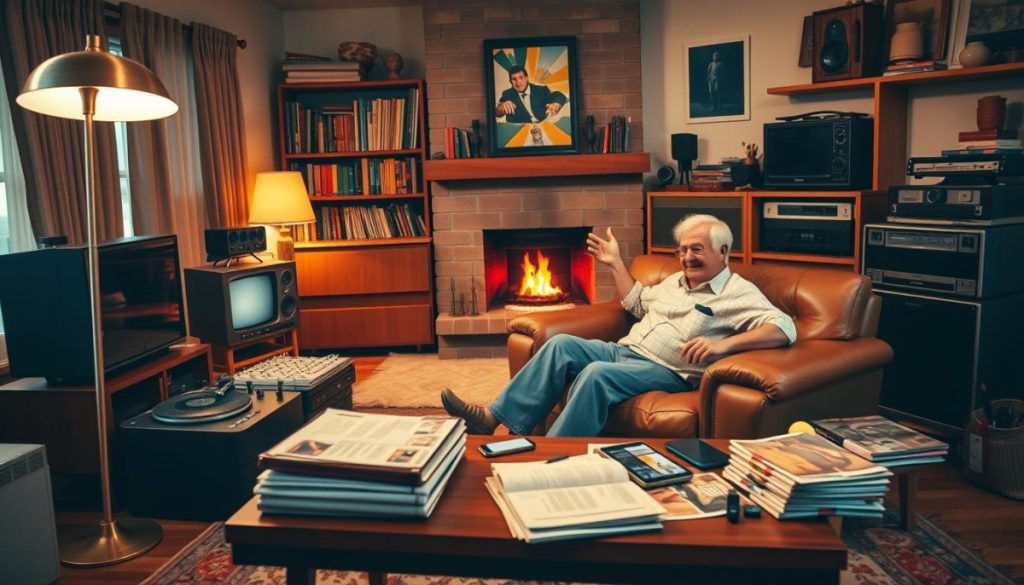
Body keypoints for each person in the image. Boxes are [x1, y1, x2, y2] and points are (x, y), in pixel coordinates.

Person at [441, 214, 797, 437]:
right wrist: (614, 263)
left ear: (723, 252)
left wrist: (723, 346)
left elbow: (784, 327)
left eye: (698, 250)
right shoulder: (675, 281)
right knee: (560, 344)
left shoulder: (737, 292)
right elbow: (636, 303)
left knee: (596, 373)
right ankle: (490, 418)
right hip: (623, 350)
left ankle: (552, 457)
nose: (687, 257)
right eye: (683, 250)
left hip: (667, 371)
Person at [495, 65, 567, 124]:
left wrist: (556, 104)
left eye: (521, 77)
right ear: (510, 82)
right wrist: (502, 107)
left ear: (526, 78)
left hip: (543, 127)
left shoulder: (541, 90)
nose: (518, 82)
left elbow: (558, 95)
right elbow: (498, 112)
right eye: (514, 79)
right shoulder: (507, 94)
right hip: (520, 132)